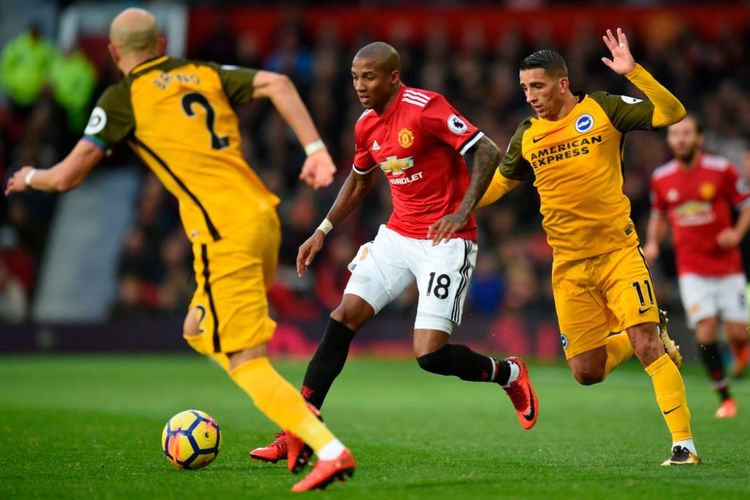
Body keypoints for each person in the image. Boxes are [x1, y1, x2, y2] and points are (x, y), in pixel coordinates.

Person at [5, 7, 354, 492]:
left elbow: (66, 176)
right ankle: (294, 418)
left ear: (113, 53)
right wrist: (314, 148)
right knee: (195, 328)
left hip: (222, 231)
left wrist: (28, 177)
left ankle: (326, 447)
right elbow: (276, 83)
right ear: (162, 44)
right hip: (261, 214)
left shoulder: (123, 95)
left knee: (246, 362)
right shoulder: (199, 71)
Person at [251, 41, 539, 465]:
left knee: (430, 355)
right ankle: (297, 429)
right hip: (398, 236)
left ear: (393, 77)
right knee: (342, 317)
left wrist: (461, 212)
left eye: (368, 77)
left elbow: (488, 151)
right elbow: (359, 179)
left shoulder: (426, 108)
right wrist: (323, 229)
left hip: (446, 241)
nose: (360, 86)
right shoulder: (366, 125)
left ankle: (508, 373)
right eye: (354, 77)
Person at [478, 29, 699, 466]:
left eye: (537, 86)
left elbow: (672, 113)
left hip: (618, 253)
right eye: (525, 88)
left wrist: (633, 72)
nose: (530, 96)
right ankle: (648, 338)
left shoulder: (603, 108)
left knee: (646, 345)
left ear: (562, 83)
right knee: (586, 372)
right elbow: (500, 182)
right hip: (569, 266)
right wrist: (453, 204)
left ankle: (684, 446)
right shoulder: (527, 135)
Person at [644, 115, 750, 418]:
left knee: (737, 332)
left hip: (728, 266)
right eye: (675, 134)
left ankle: (742, 351)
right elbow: (658, 215)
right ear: (670, 140)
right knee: (705, 332)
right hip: (691, 269)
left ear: (699, 138)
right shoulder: (662, 177)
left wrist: (737, 233)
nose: (681, 139)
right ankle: (725, 397)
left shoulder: (721, 170)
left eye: (687, 133)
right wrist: (652, 243)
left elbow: (746, 205)